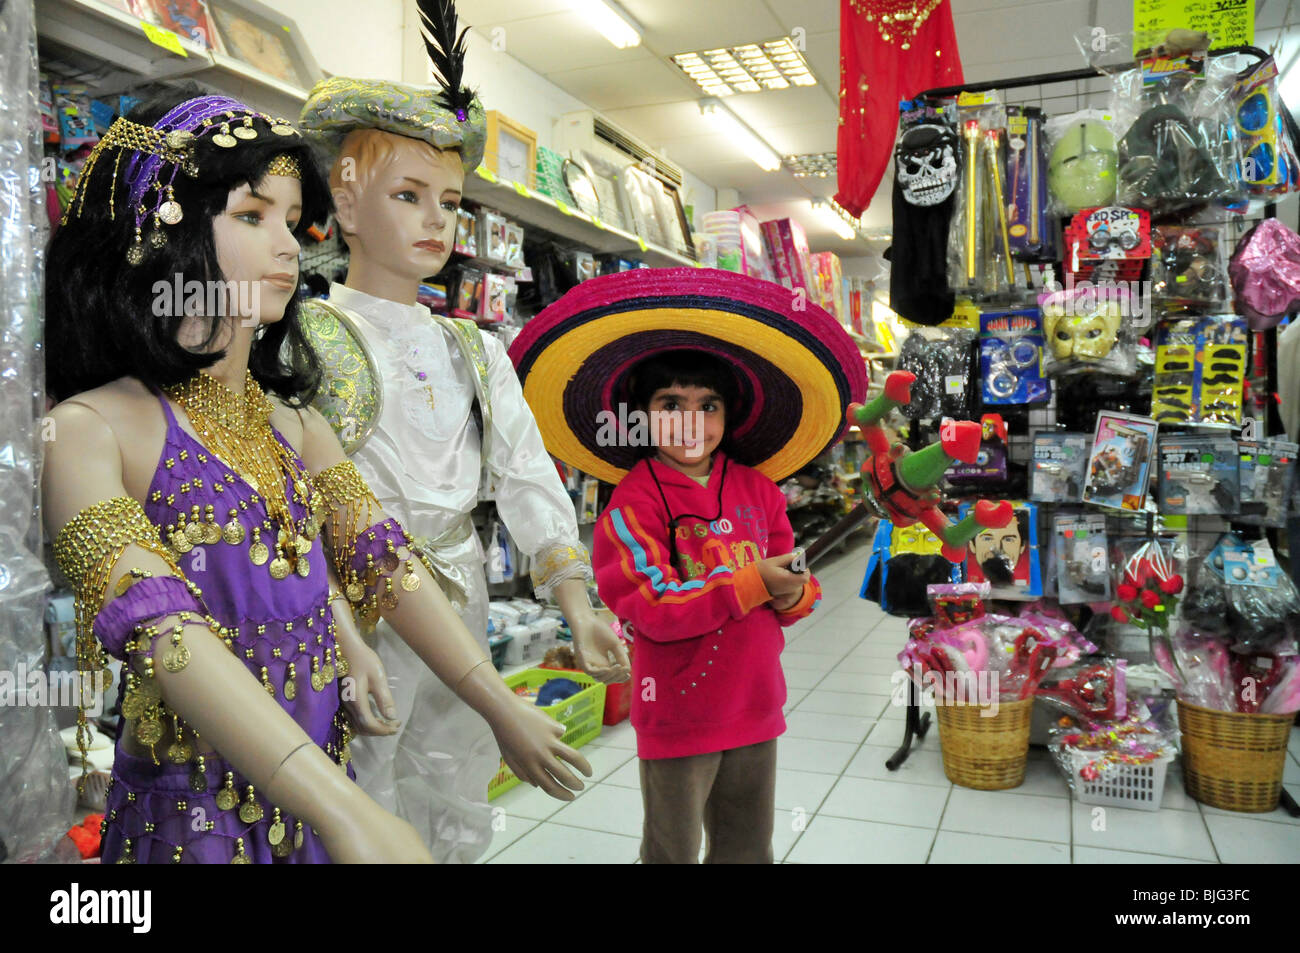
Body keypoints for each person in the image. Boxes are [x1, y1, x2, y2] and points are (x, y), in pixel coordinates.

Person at [41, 88, 586, 864]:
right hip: (193, 820)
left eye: (294, 222)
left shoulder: (299, 426)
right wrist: (345, 809)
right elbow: (164, 631)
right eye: (253, 216)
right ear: (165, 230)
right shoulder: (92, 429)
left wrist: (497, 703)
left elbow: (386, 567)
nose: (291, 246)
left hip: (321, 790)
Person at [295, 0, 626, 862]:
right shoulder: (304, 339)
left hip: (465, 588)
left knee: (456, 784)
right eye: (408, 195)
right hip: (351, 607)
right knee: (352, 789)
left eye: (449, 199)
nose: (437, 220)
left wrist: (574, 601)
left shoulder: (476, 348)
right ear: (346, 198)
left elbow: (523, 475)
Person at [507, 268, 869, 863]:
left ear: (731, 414)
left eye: (709, 406)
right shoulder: (633, 505)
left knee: (748, 846)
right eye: (670, 404)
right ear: (641, 414)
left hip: (756, 703)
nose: (690, 422)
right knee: (672, 849)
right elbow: (654, 609)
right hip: (677, 711)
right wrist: (753, 582)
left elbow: (798, 592)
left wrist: (791, 595)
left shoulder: (761, 491)